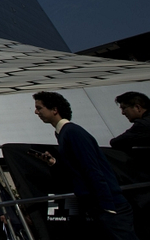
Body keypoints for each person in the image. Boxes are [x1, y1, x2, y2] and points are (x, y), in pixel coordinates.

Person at [33, 91, 138, 240]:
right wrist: (54, 163)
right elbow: (78, 169)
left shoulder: (72, 132)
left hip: (109, 206)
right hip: (100, 205)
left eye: (39, 107)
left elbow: (91, 168)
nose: (36, 112)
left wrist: (107, 206)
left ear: (54, 110)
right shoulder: (64, 133)